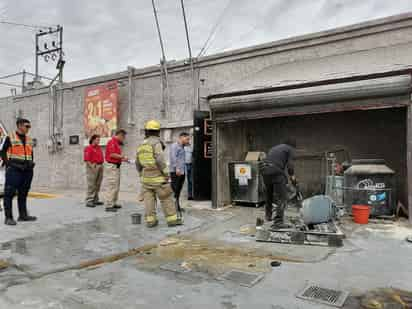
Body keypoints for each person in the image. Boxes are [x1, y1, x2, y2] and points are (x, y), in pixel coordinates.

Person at [136, 120, 182, 227]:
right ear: (157, 131)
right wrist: (166, 174)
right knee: (166, 197)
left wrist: (141, 174)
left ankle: (150, 221)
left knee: (149, 200)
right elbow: (160, 160)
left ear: (147, 131)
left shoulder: (141, 145)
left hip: (146, 179)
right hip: (157, 178)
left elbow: (137, 162)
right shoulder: (156, 143)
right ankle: (172, 220)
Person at [1, 118, 37, 225]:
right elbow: (2, 152)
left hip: (27, 170)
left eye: (29, 126)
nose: (28, 128)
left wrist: (31, 164)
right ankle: (8, 218)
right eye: (27, 126)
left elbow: (30, 154)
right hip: (15, 169)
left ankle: (23, 215)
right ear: (20, 125)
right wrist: (9, 164)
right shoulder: (10, 137)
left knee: (23, 193)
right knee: (9, 193)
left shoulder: (29, 139)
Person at [261, 139, 297, 227]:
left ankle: (268, 216)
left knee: (269, 195)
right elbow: (290, 165)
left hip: (265, 171)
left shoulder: (275, 148)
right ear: (292, 146)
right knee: (282, 197)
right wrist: (292, 177)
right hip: (276, 172)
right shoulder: (289, 149)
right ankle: (278, 222)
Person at [104, 129, 128, 212]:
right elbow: (112, 154)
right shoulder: (112, 142)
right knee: (112, 185)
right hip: (112, 167)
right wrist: (122, 157)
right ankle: (109, 205)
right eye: (123, 137)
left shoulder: (116, 144)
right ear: (120, 135)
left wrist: (123, 159)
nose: (124, 139)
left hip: (116, 166)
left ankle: (113, 202)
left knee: (116, 186)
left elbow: (116, 156)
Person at [169, 132, 190, 213]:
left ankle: (177, 207)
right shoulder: (174, 146)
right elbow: (173, 157)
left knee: (178, 190)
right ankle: (173, 207)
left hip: (182, 171)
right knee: (174, 189)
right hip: (176, 172)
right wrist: (177, 168)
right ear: (181, 137)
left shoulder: (182, 146)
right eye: (187, 139)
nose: (188, 140)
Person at [84, 134, 104, 208]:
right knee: (92, 184)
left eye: (99, 140)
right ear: (93, 140)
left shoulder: (98, 148)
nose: (98, 141)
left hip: (100, 166)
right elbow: (87, 160)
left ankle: (95, 199)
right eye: (97, 140)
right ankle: (89, 200)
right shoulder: (88, 148)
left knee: (98, 184)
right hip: (93, 166)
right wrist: (93, 167)